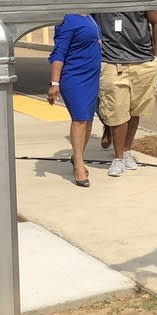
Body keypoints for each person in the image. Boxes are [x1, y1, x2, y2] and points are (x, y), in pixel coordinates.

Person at [92, 9, 157, 178]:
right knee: (116, 110)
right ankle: (117, 158)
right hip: (111, 61)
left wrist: (156, 57)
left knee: (134, 110)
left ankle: (126, 151)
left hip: (143, 61)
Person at [47, 13, 102, 187]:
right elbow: (59, 52)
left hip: (91, 76)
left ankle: (77, 156)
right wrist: (54, 83)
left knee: (88, 118)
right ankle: (78, 164)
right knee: (79, 118)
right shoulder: (67, 18)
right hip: (75, 76)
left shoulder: (89, 16)